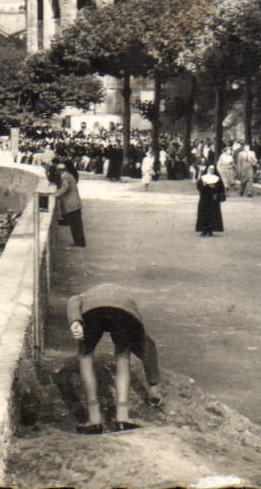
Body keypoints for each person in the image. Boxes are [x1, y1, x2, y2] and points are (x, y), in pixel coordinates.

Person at [67, 283, 161, 434]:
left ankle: (94, 420)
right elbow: (148, 346)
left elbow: (73, 300)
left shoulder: (85, 295)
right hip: (122, 312)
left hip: (92, 312)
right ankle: (122, 419)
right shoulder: (128, 299)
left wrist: (75, 321)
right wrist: (153, 386)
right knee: (123, 357)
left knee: (85, 356)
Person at [53, 159, 86, 247]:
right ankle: (80, 242)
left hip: (71, 205)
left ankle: (78, 243)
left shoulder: (65, 177)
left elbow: (65, 187)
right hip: (75, 204)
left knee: (75, 226)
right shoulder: (70, 175)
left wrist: (55, 194)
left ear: (60, 170)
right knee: (77, 225)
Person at [195, 164, 225, 237]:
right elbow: (199, 187)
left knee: (213, 214)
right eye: (210, 169)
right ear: (207, 169)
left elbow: (221, 188)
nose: (211, 170)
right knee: (204, 214)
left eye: (212, 169)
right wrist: (204, 186)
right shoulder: (203, 178)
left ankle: (211, 230)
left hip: (213, 199)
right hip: (204, 198)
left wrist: (214, 188)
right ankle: (204, 230)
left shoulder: (217, 178)